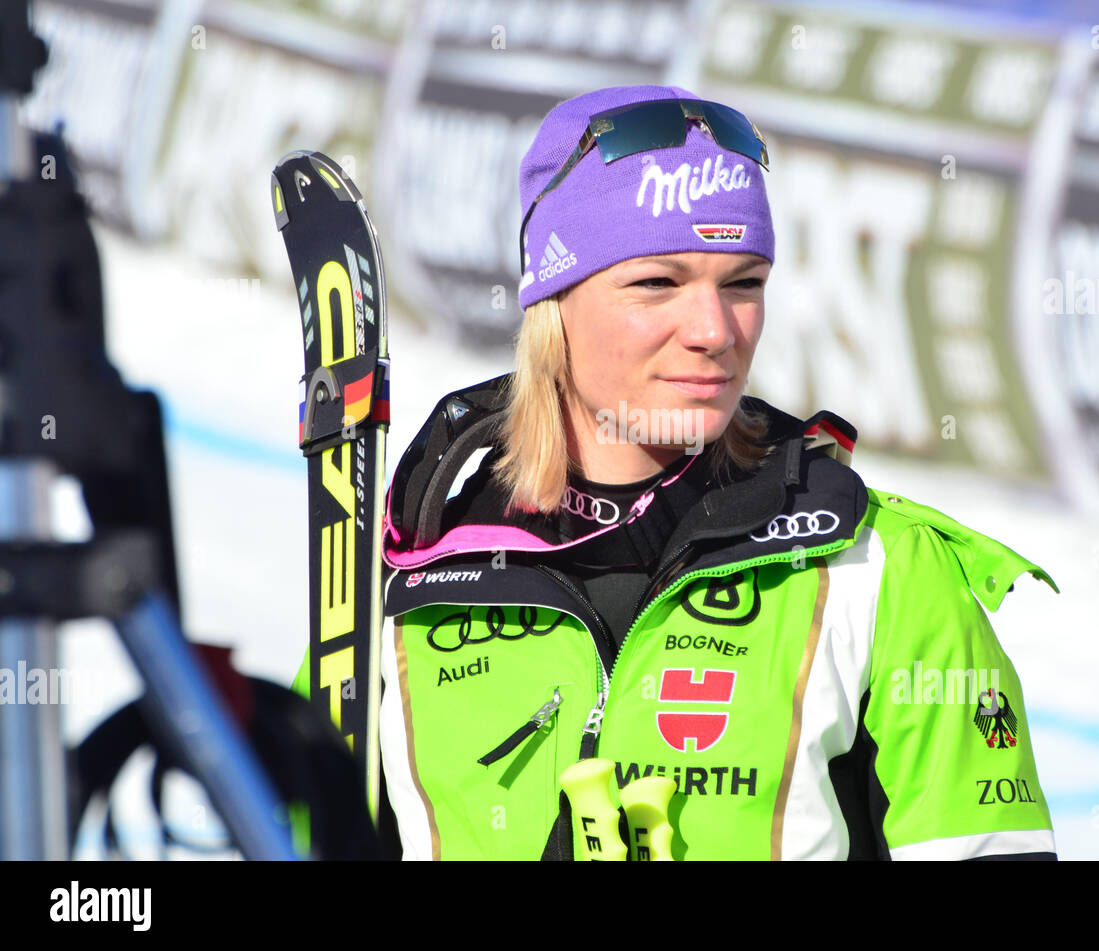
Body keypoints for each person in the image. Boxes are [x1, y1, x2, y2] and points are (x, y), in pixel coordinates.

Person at [375, 84, 1059, 860]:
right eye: (657, 283)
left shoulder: (880, 569)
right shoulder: (407, 576)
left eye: (743, 284)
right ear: (553, 300)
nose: (714, 331)